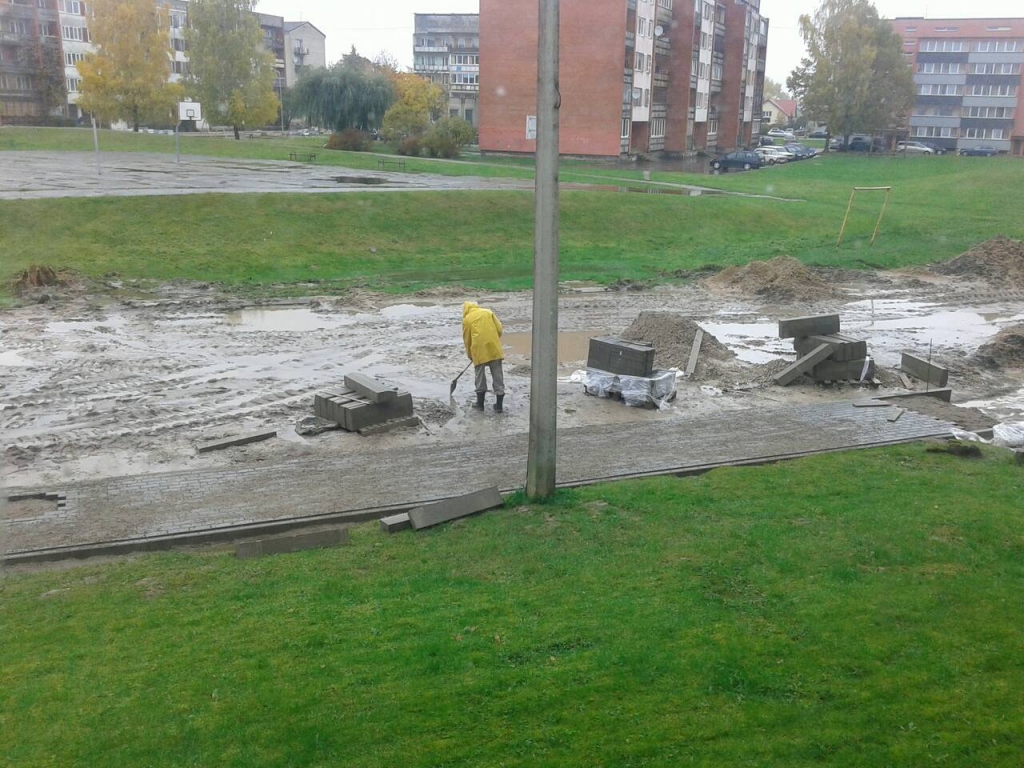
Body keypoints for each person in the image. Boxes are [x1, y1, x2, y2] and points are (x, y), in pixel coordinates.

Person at [462, 301, 505, 412]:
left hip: (478, 350)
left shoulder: (467, 319)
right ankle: (499, 406)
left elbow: (467, 340)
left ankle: (480, 405)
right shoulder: (488, 312)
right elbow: (499, 329)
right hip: (494, 348)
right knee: (498, 376)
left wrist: (470, 354)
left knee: (480, 377)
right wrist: (493, 340)